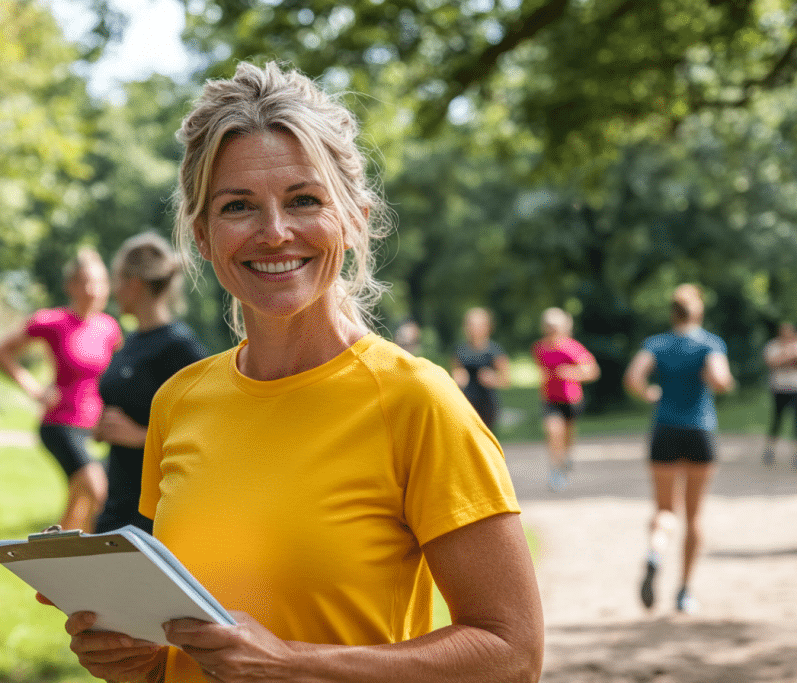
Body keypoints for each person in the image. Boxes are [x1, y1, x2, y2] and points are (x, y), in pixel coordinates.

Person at [45, 61, 543, 683]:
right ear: (202, 235)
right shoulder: (180, 401)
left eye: (305, 200)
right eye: (238, 207)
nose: (274, 232)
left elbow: (514, 654)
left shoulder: (416, 399)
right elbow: (196, 647)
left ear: (355, 219)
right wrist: (143, 658)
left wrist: (296, 665)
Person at [0, 247, 121, 533]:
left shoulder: (109, 328)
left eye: (100, 282)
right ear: (71, 286)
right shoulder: (53, 322)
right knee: (97, 489)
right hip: (60, 423)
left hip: (97, 426)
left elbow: (117, 377)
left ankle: (61, 556)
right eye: (86, 281)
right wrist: (35, 390)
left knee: (79, 502)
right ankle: (94, 555)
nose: (94, 290)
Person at [623, 283, 735, 615]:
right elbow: (720, 379)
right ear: (697, 311)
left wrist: (649, 394)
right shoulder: (710, 344)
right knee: (694, 515)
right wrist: (715, 379)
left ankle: (655, 553)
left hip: (665, 431)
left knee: (664, 510)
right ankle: (684, 591)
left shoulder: (656, 344)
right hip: (700, 430)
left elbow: (633, 378)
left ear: (672, 312)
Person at [92, 232, 208, 534]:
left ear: (134, 283)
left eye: (117, 281)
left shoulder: (179, 346)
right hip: (116, 496)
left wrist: (141, 437)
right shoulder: (131, 341)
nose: (114, 291)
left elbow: (208, 432)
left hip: (155, 511)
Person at [532, 307, 600, 492]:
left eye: (555, 325)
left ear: (563, 326)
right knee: (554, 433)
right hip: (550, 400)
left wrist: (572, 373)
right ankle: (556, 470)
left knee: (567, 436)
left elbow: (593, 371)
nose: (551, 329)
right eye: (548, 325)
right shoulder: (539, 348)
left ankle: (567, 456)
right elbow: (543, 372)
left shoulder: (572, 348)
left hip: (571, 399)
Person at [450, 307, 511, 431]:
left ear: (488, 327)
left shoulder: (495, 351)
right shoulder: (459, 350)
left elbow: (506, 380)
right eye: (470, 324)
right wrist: (457, 379)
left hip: (487, 405)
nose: (474, 328)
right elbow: (455, 375)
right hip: (466, 404)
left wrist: (493, 379)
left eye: (478, 325)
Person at [761, 321, 797, 467]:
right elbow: (771, 363)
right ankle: (770, 450)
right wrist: (788, 356)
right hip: (779, 389)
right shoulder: (772, 346)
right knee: (776, 421)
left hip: (795, 389)